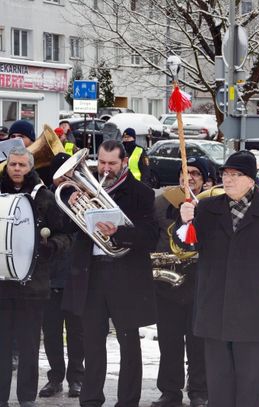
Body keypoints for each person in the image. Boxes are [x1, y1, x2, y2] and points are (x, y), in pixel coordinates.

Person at [179, 150, 259, 407]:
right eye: (225, 174)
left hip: (253, 308)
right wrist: (186, 222)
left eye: (235, 175)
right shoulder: (208, 208)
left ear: (251, 179)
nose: (228, 179)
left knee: (250, 385)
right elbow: (189, 249)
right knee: (219, 385)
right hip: (214, 308)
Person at [62, 140, 158, 407]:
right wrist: (72, 207)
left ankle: (128, 401)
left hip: (125, 276)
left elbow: (151, 237)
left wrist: (120, 232)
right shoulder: (84, 190)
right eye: (101, 163)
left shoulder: (142, 193)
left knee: (129, 345)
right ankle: (91, 399)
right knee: (92, 342)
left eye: (112, 164)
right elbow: (67, 230)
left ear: (124, 162)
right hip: (91, 275)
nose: (105, 169)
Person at [0, 147, 72, 407]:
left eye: (22, 165)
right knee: (2, 348)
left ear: (30, 167)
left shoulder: (45, 197)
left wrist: (51, 246)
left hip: (34, 285)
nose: (17, 169)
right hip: (2, 285)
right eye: (13, 164)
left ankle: (26, 398)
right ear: (7, 166)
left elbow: (65, 235)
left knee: (30, 347)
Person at [151, 157, 210, 407]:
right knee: (169, 340)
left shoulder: (211, 204)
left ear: (206, 179)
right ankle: (170, 391)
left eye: (196, 173)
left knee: (198, 342)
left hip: (200, 284)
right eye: (185, 172)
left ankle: (198, 390)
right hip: (169, 282)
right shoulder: (162, 202)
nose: (189, 178)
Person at [38, 153, 84, 399]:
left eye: (71, 173)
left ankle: (76, 378)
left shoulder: (83, 196)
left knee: (77, 332)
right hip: (50, 274)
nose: (68, 177)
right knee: (52, 331)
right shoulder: (44, 198)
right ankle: (55, 378)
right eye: (63, 173)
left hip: (76, 275)